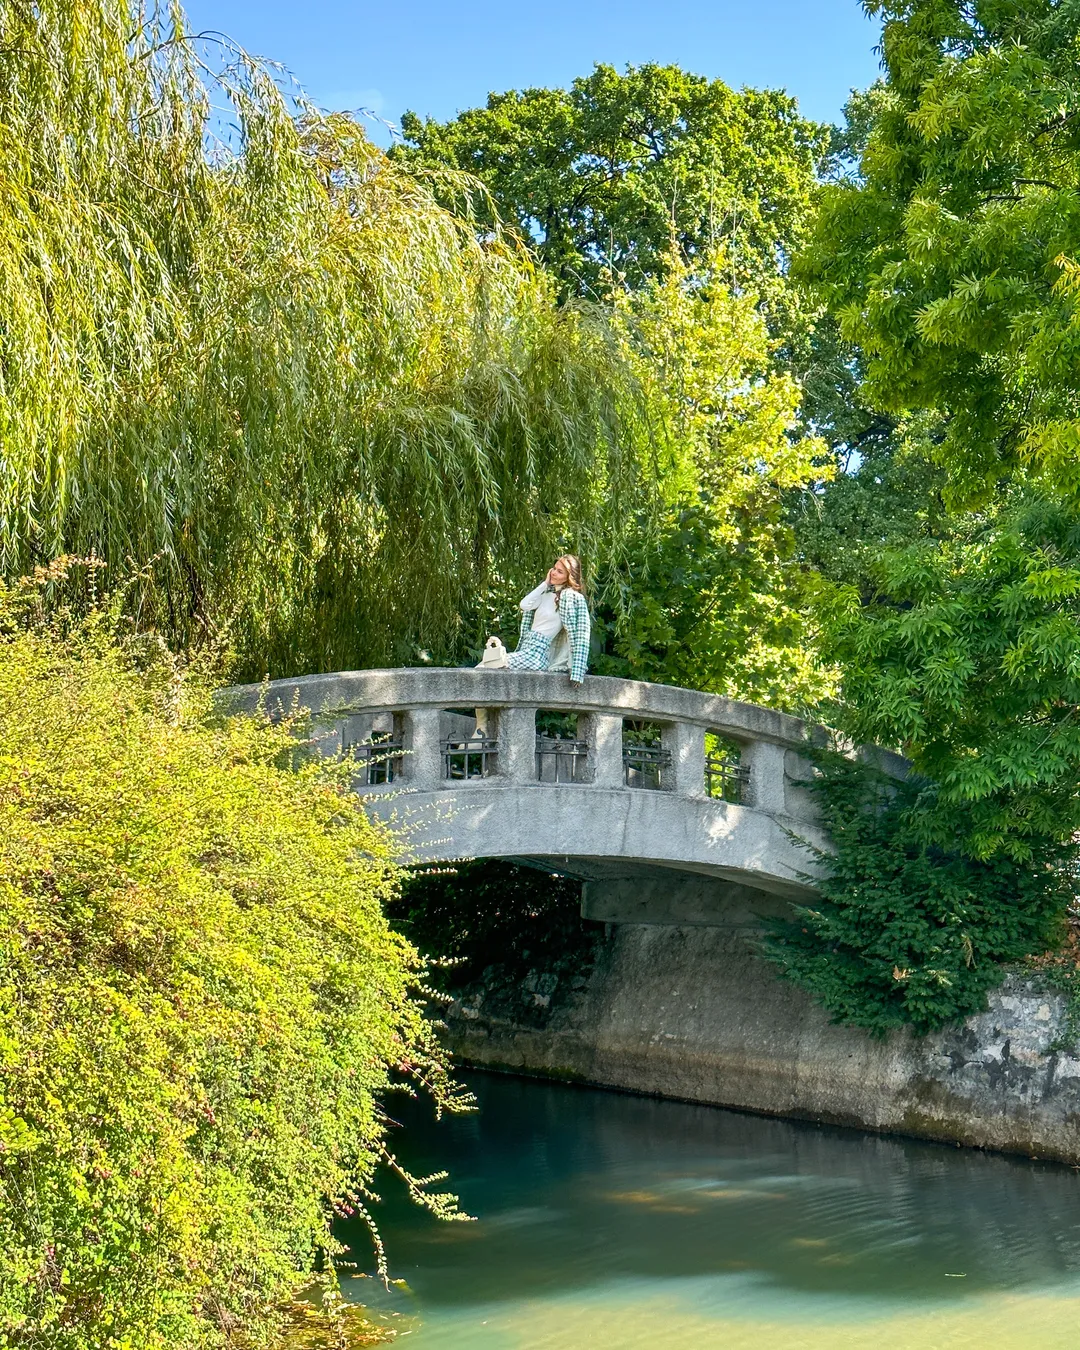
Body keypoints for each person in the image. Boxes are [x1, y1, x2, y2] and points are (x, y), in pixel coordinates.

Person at [506, 555, 591, 684]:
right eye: (554, 568)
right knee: (487, 663)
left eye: (560, 571)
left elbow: (581, 635)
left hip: (537, 654)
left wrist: (577, 673)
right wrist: (545, 584)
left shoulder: (573, 598)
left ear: (569, 577)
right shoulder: (545, 594)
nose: (554, 573)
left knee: (491, 664)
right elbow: (524, 605)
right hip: (526, 648)